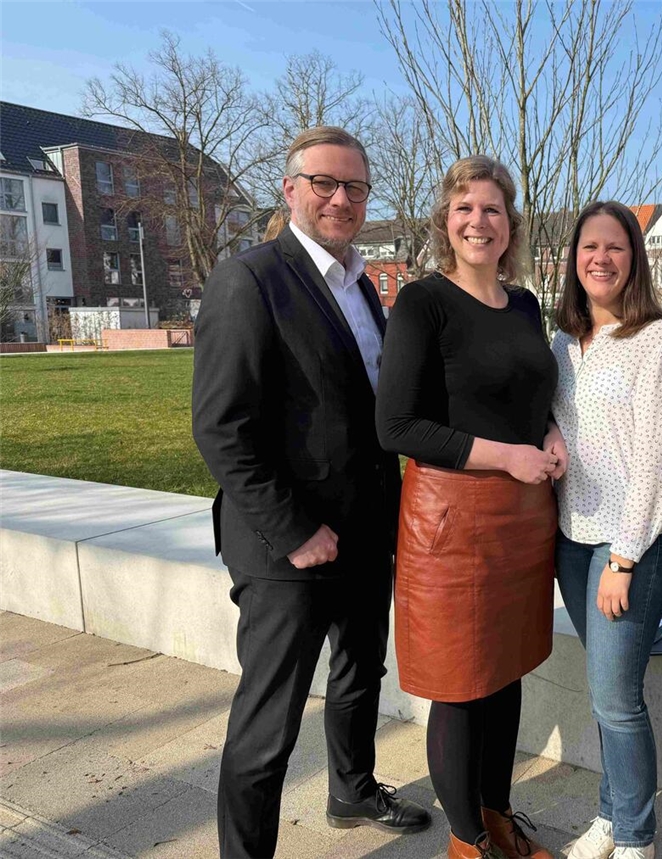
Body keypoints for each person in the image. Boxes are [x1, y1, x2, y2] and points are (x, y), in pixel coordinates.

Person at [191, 126, 431, 858]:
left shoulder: (362, 282)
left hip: (363, 533)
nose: (340, 198)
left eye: (354, 186)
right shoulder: (250, 279)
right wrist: (295, 530)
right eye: (324, 183)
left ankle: (351, 789)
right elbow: (221, 427)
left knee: (361, 674)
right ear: (291, 189)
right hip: (283, 548)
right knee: (268, 725)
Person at [376, 155, 562, 859]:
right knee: (459, 683)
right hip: (451, 519)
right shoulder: (423, 302)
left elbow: (528, 396)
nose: (478, 221)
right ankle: (467, 843)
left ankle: (499, 815)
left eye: (491, 209)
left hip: (521, 518)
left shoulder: (524, 306)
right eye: (464, 209)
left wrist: (546, 432)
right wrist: (506, 454)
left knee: (505, 670)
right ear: (444, 223)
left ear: (510, 226)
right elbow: (396, 426)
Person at [550, 202, 662, 859]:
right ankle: (611, 813)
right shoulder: (563, 343)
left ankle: (636, 834)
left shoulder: (654, 339)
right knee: (605, 694)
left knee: (616, 697)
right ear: (573, 258)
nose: (601, 258)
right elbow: (559, 423)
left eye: (615, 247)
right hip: (570, 538)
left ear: (634, 259)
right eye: (589, 247)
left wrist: (626, 557)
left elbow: (661, 459)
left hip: (632, 541)